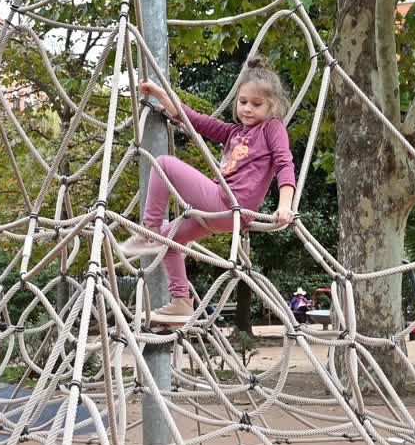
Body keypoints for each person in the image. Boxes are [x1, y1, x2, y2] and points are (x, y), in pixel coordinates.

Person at [120, 55, 297, 326]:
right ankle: (181, 303)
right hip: (220, 211)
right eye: (243, 102)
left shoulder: (272, 129)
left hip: (229, 204)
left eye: (256, 104)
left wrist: (285, 204)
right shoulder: (233, 132)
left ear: (273, 107)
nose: (247, 109)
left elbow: (285, 163)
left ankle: (149, 230)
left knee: (165, 164)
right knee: (171, 240)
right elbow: (194, 121)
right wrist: (159, 94)